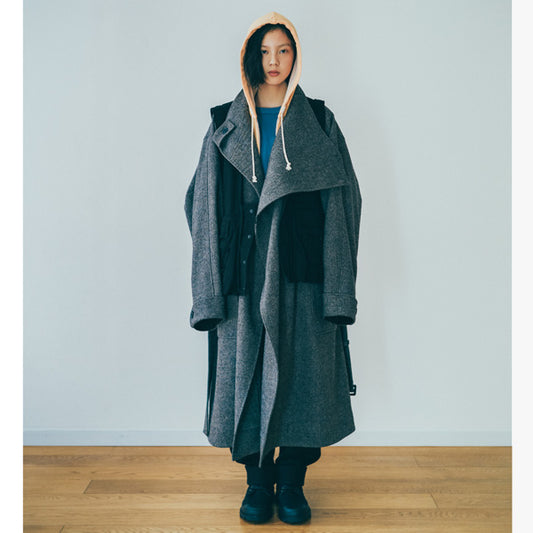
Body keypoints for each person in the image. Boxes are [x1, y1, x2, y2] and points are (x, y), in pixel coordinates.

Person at [184, 11, 362, 525]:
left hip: (302, 277)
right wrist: (209, 290)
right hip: (244, 279)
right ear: (250, 57)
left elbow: (344, 204)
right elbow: (202, 204)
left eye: (283, 50)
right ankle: (258, 485)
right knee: (247, 382)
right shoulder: (224, 123)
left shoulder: (319, 122)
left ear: (295, 56)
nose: (274, 60)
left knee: (303, 383)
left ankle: (293, 485)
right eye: (265, 51)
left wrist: (338, 290)